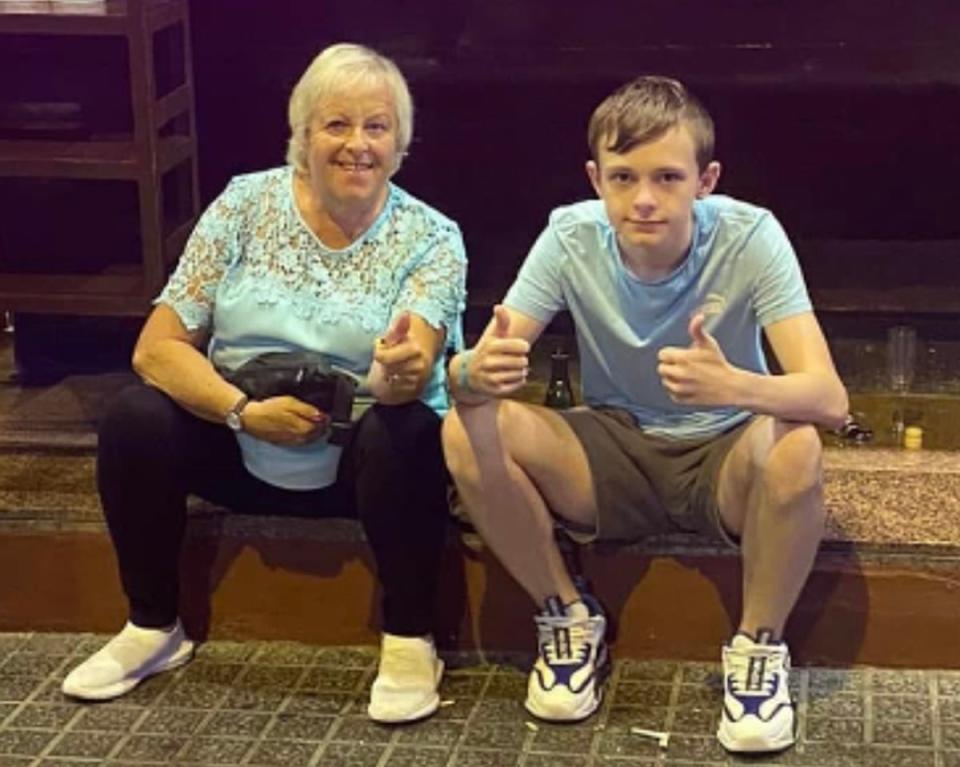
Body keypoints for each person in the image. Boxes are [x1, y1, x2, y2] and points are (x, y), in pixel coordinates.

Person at [62, 43, 467, 724]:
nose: (358, 144)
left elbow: (414, 366)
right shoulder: (244, 204)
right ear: (302, 135)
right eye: (336, 125)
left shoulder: (432, 236)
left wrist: (402, 372)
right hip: (242, 439)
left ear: (400, 144)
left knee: (409, 430)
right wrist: (242, 411)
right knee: (135, 418)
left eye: (377, 127)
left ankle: (409, 637)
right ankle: (153, 624)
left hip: (357, 465)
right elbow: (156, 349)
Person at [441, 76, 847, 753]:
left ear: (705, 179)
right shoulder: (569, 236)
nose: (645, 199)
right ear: (596, 178)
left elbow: (829, 399)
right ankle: (568, 616)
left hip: (725, 454)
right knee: (468, 422)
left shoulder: (753, 236)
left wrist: (734, 384)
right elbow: (471, 371)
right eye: (624, 177)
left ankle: (757, 649)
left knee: (797, 441)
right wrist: (468, 373)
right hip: (613, 448)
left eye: (667, 176)